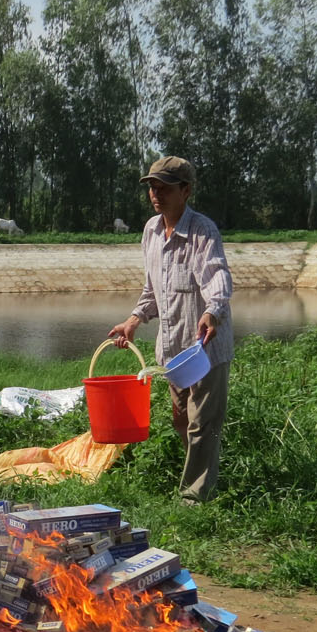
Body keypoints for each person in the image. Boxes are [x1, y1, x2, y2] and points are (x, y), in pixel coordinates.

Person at [107, 156, 233, 504]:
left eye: (164, 187)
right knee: (182, 421)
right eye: (152, 187)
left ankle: (195, 497)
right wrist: (133, 321)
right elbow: (153, 290)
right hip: (173, 352)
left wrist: (213, 311)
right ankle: (203, 475)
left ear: (186, 190)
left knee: (202, 425)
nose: (155, 193)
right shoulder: (150, 231)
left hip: (204, 349)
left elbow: (217, 277)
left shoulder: (201, 231)